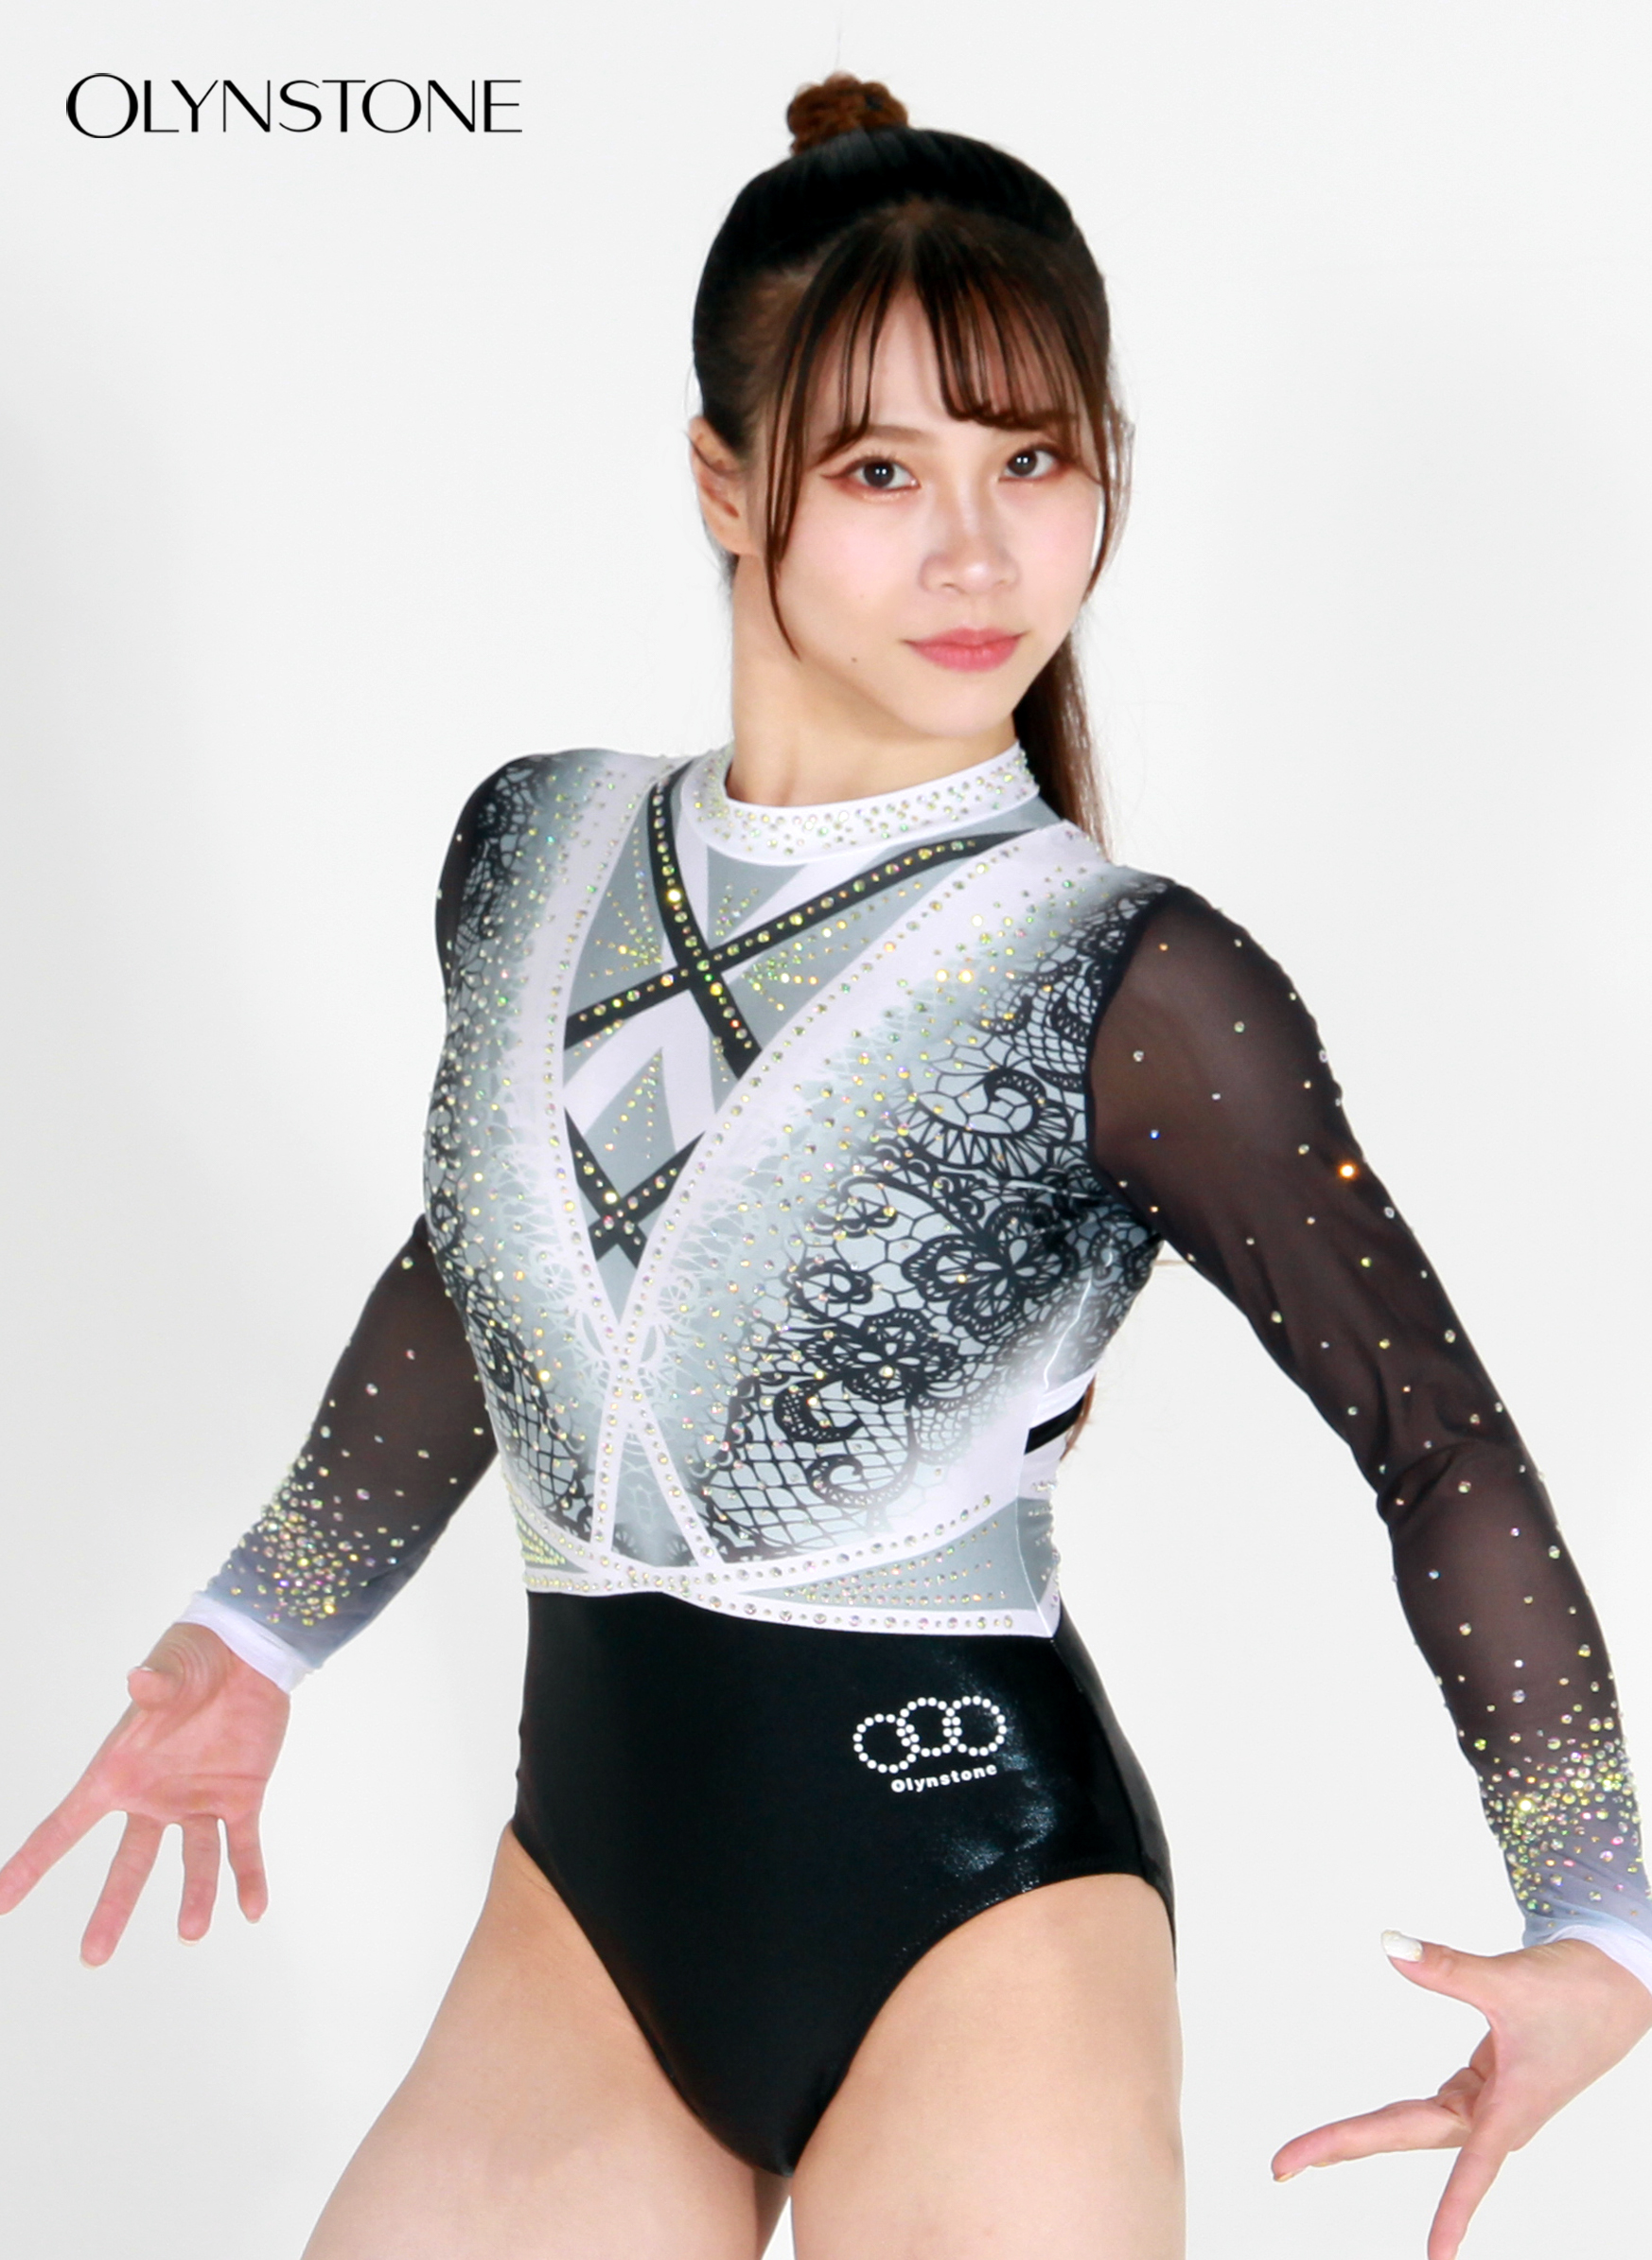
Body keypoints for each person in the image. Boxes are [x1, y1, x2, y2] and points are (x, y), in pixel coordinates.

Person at [2, 70, 1648, 2260]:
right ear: (724, 477)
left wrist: (1596, 1911)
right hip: (582, 1918)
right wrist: (258, 1629)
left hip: (983, 1916)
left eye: (1033, 460)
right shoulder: (533, 848)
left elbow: (1431, 1435)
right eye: (882, 470)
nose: (978, 552)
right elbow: (487, 1259)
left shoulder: (1138, 984)